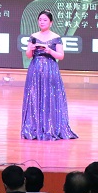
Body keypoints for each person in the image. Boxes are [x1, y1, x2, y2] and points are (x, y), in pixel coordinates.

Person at [21, 10, 77, 140]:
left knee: (50, 97)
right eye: (40, 20)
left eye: (45, 20)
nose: (42, 22)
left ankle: (51, 127)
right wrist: (31, 49)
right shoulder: (33, 36)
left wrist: (49, 51)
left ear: (51, 22)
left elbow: (60, 56)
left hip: (50, 70)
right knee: (34, 96)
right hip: (35, 69)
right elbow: (28, 55)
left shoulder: (56, 37)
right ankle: (34, 127)